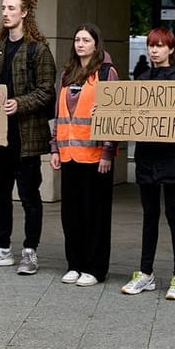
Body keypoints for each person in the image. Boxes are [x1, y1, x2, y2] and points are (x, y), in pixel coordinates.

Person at [0, 0, 57, 275]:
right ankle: (2, 248)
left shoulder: (38, 49)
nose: (5, 13)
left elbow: (46, 91)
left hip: (27, 137)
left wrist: (18, 103)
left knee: (30, 195)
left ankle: (30, 252)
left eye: (11, 8)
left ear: (24, 13)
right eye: (3, 7)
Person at [121, 26, 175, 302]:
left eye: (160, 45)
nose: (154, 50)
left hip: (173, 161)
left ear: (171, 49)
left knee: (174, 217)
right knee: (149, 215)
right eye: (151, 45)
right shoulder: (141, 79)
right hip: (147, 159)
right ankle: (146, 272)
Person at [51, 23, 119, 286]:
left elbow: (115, 115)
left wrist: (107, 152)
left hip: (95, 157)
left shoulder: (106, 72)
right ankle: (74, 264)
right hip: (69, 155)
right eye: (77, 39)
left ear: (96, 44)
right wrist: (54, 148)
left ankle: (95, 268)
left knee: (96, 214)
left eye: (86, 40)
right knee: (72, 214)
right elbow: (58, 115)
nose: (80, 44)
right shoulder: (67, 73)